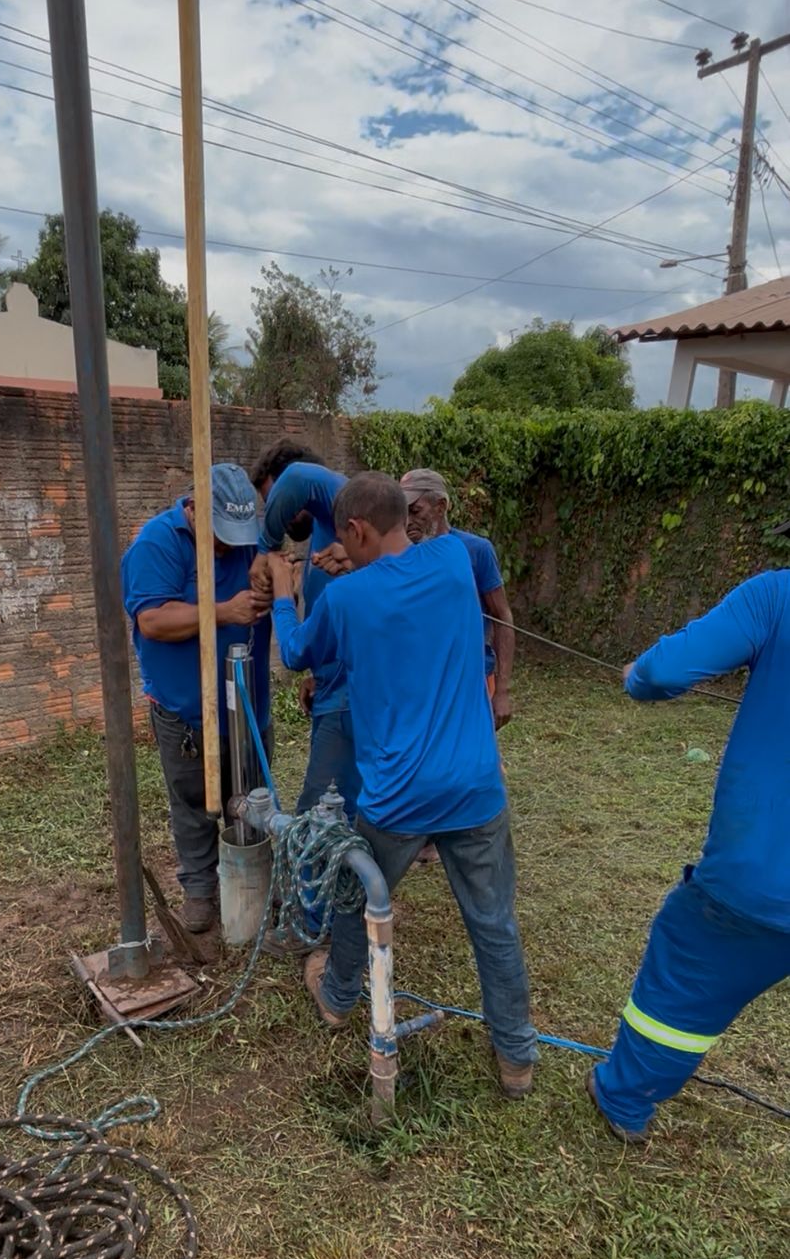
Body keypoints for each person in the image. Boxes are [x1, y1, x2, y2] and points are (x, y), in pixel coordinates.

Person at [268, 470, 538, 1099]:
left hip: (397, 797)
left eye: (346, 536)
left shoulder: (345, 601)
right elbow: (414, 551)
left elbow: (295, 653)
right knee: (494, 923)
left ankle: (336, 997)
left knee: (356, 895)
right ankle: (516, 1059)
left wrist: (287, 591)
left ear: (354, 531)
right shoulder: (455, 560)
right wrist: (362, 560)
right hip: (475, 788)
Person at [588, 571, 790, 1144]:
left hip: (761, 884)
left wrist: (639, 679)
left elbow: (667, 670)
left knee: (687, 966)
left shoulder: (775, 595)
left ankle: (623, 1097)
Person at [121, 464, 272, 932]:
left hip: (247, 701)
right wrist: (224, 612)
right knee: (192, 802)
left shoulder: (250, 540)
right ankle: (201, 890)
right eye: (222, 534)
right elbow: (153, 621)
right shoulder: (157, 544)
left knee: (252, 796)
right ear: (193, 510)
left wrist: (274, 573)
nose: (231, 544)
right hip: (186, 709)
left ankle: (258, 884)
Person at [249, 440, 360, 820]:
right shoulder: (326, 533)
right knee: (342, 811)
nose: (275, 514)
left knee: (316, 819)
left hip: (351, 699)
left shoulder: (343, 506)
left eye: (274, 500)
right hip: (333, 691)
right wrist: (319, 673)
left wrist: (266, 551)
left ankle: (319, 880)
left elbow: (296, 477)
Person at [401, 469, 516, 730]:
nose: (407, 521)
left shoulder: (476, 550)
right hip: (418, 685)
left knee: (472, 762)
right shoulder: (401, 554)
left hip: (470, 682)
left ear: (440, 506)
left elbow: (502, 616)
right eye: (402, 512)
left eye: (415, 511)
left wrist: (502, 690)